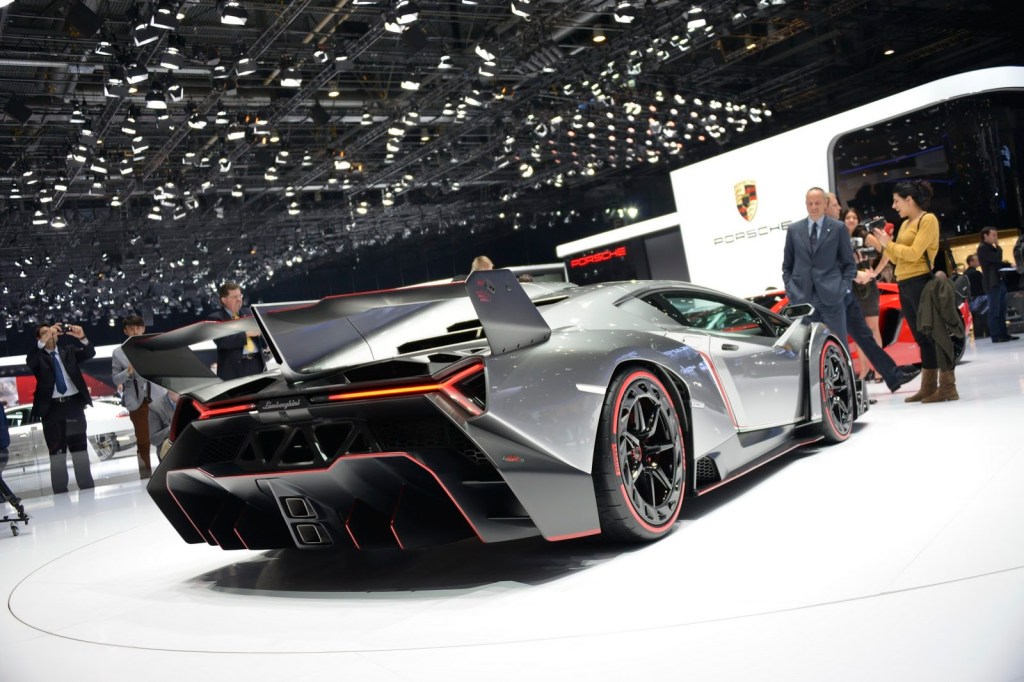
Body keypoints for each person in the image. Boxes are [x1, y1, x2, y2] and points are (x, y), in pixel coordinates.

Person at [873, 179, 952, 403]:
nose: (894, 206)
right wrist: (886, 244)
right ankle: (928, 387)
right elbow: (897, 258)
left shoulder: (928, 220)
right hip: (905, 283)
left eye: (896, 201)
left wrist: (890, 244)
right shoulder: (905, 224)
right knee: (921, 337)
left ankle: (948, 387)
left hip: (921, 282)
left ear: (909, 199)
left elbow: (915, 253)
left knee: (934, 335)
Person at [782, 187, 856, 349]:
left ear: (825, 204)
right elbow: (787, 265)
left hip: (832, 296)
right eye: (810, 203)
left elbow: (849, 264)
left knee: (839, 346)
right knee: (808, 350)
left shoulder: (838, 228)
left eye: (817, 203)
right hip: (802, 298)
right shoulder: (794, 230)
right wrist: (791, 289)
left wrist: (844, 287)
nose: (813, 207)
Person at [26, 322, 95, 493]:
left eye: (53, 332)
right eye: (45, 333)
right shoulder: (38, 357)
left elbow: (89, 353)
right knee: (56, 452)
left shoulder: (68, 351)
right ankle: (60, 490)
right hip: (51, 410)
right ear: (39, 338)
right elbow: (31, 361)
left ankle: (86, 486)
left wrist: (82, 337)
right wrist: (43, 341)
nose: (50, 334)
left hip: (73, 406)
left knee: (80, 449)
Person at [843, 206, 890, 381]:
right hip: (850, 286)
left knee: (873, 328)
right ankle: (864, 370)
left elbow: (886, 252)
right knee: (857, 331)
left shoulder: (865, 236)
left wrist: (876, 272)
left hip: (868, 286)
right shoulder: (839, 238)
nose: (851, 220)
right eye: (848, 217)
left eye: (854, 217)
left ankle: (879, 370)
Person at [110, 314, 153, 478]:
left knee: (166, 436)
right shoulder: (118, 352)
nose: (135, 330)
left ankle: (167, 471)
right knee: (143, 441)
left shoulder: (153, 346)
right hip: (136, 399)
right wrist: (127, 372)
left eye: (138, 327)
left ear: (143, 329)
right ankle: (145, 474)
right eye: (131, 328)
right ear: (125, 331)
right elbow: (116, 379)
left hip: (157, 396)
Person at [208, 282, 266, 380]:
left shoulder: (249, 312)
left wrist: (264, 341)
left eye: (240, 296)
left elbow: (259, 333)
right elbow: (222, 341)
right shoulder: (216, 318)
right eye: (234, 297)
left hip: (256, 364)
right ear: (224, 300)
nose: (239, 299)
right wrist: (246, 334)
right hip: (234, 369)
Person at [977, 227, 1019, 343]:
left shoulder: (990, 248)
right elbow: (997, 258)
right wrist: (998, 246)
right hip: (992, 283)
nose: (996, 238)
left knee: (1002, 309)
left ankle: (1004, 334)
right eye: (993, 235)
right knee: (994, 310)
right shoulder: (983, 248)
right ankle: (996, 336)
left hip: (999, 281)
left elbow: (998, 262)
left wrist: (1010, 265)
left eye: (996, 235)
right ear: (985, 236)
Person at [148, 386, 179, 460]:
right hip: (169, 453)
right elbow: (154, 439)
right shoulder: (155, 407)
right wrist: (171, 428)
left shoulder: (192, 401)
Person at [964, 253, 989, 338]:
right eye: (977, 260)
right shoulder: (976, 273)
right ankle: (987, 334)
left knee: (976, 318)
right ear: (971, 262)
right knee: (983, 318)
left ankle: (978, 335)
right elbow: (982, 285)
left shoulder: (965, 273)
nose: (979, 262)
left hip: (971, 299)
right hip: (980, 297)